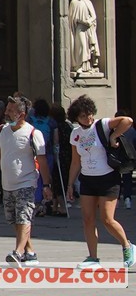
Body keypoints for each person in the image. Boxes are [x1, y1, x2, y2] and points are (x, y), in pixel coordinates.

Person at [66, 95, 135, 268]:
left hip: (108, 177)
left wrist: (114, 136)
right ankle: (93, 258)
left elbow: (127, 120)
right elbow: (75, 162)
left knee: (107, 219)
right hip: (88, 179)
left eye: (89, 113)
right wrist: (69, 184)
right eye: (82, 116)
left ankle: (127, 246)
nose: (87, 118)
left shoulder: (102, 124)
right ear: (76, 118)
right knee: (88, 219)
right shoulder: (75, 134)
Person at [0, 93, 52, 267]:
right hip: (7, 184)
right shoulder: (1, 130)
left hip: (26, 182)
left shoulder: (33, 133)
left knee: (24, 217)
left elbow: (43, 160)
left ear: (21, 114)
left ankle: (18, 252)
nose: (6, 113)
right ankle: (30, 252)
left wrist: (46, 185)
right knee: (14, 220)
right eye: (6, 110)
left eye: (10, 111)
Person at [69, 0, 101, 76]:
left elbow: (94, 16)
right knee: (82, 46)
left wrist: (90, 21)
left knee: (88, 48)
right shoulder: (74, 2)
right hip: (79, 28)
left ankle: (87, 67)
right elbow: (72, 18)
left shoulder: (88, 2)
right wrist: (83, 21)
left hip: (89, 29)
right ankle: (78, 66)